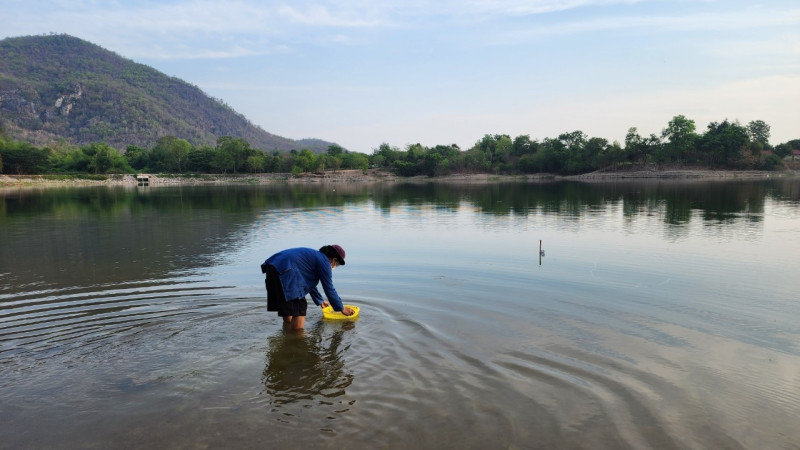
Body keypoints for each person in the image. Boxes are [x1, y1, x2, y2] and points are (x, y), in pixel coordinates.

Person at [261, 245, 354, 330]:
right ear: (334, 260)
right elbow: (329, 289)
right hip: (286, 271)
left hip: (273, 266)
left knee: (288, 305)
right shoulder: (324, 262)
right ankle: (297, 338)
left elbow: (307, 283)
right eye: (337, 264)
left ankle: (288, 332)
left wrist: (320, 301)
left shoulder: (315, 257)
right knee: (300, 308)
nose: (335, 266)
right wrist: (342, 308)